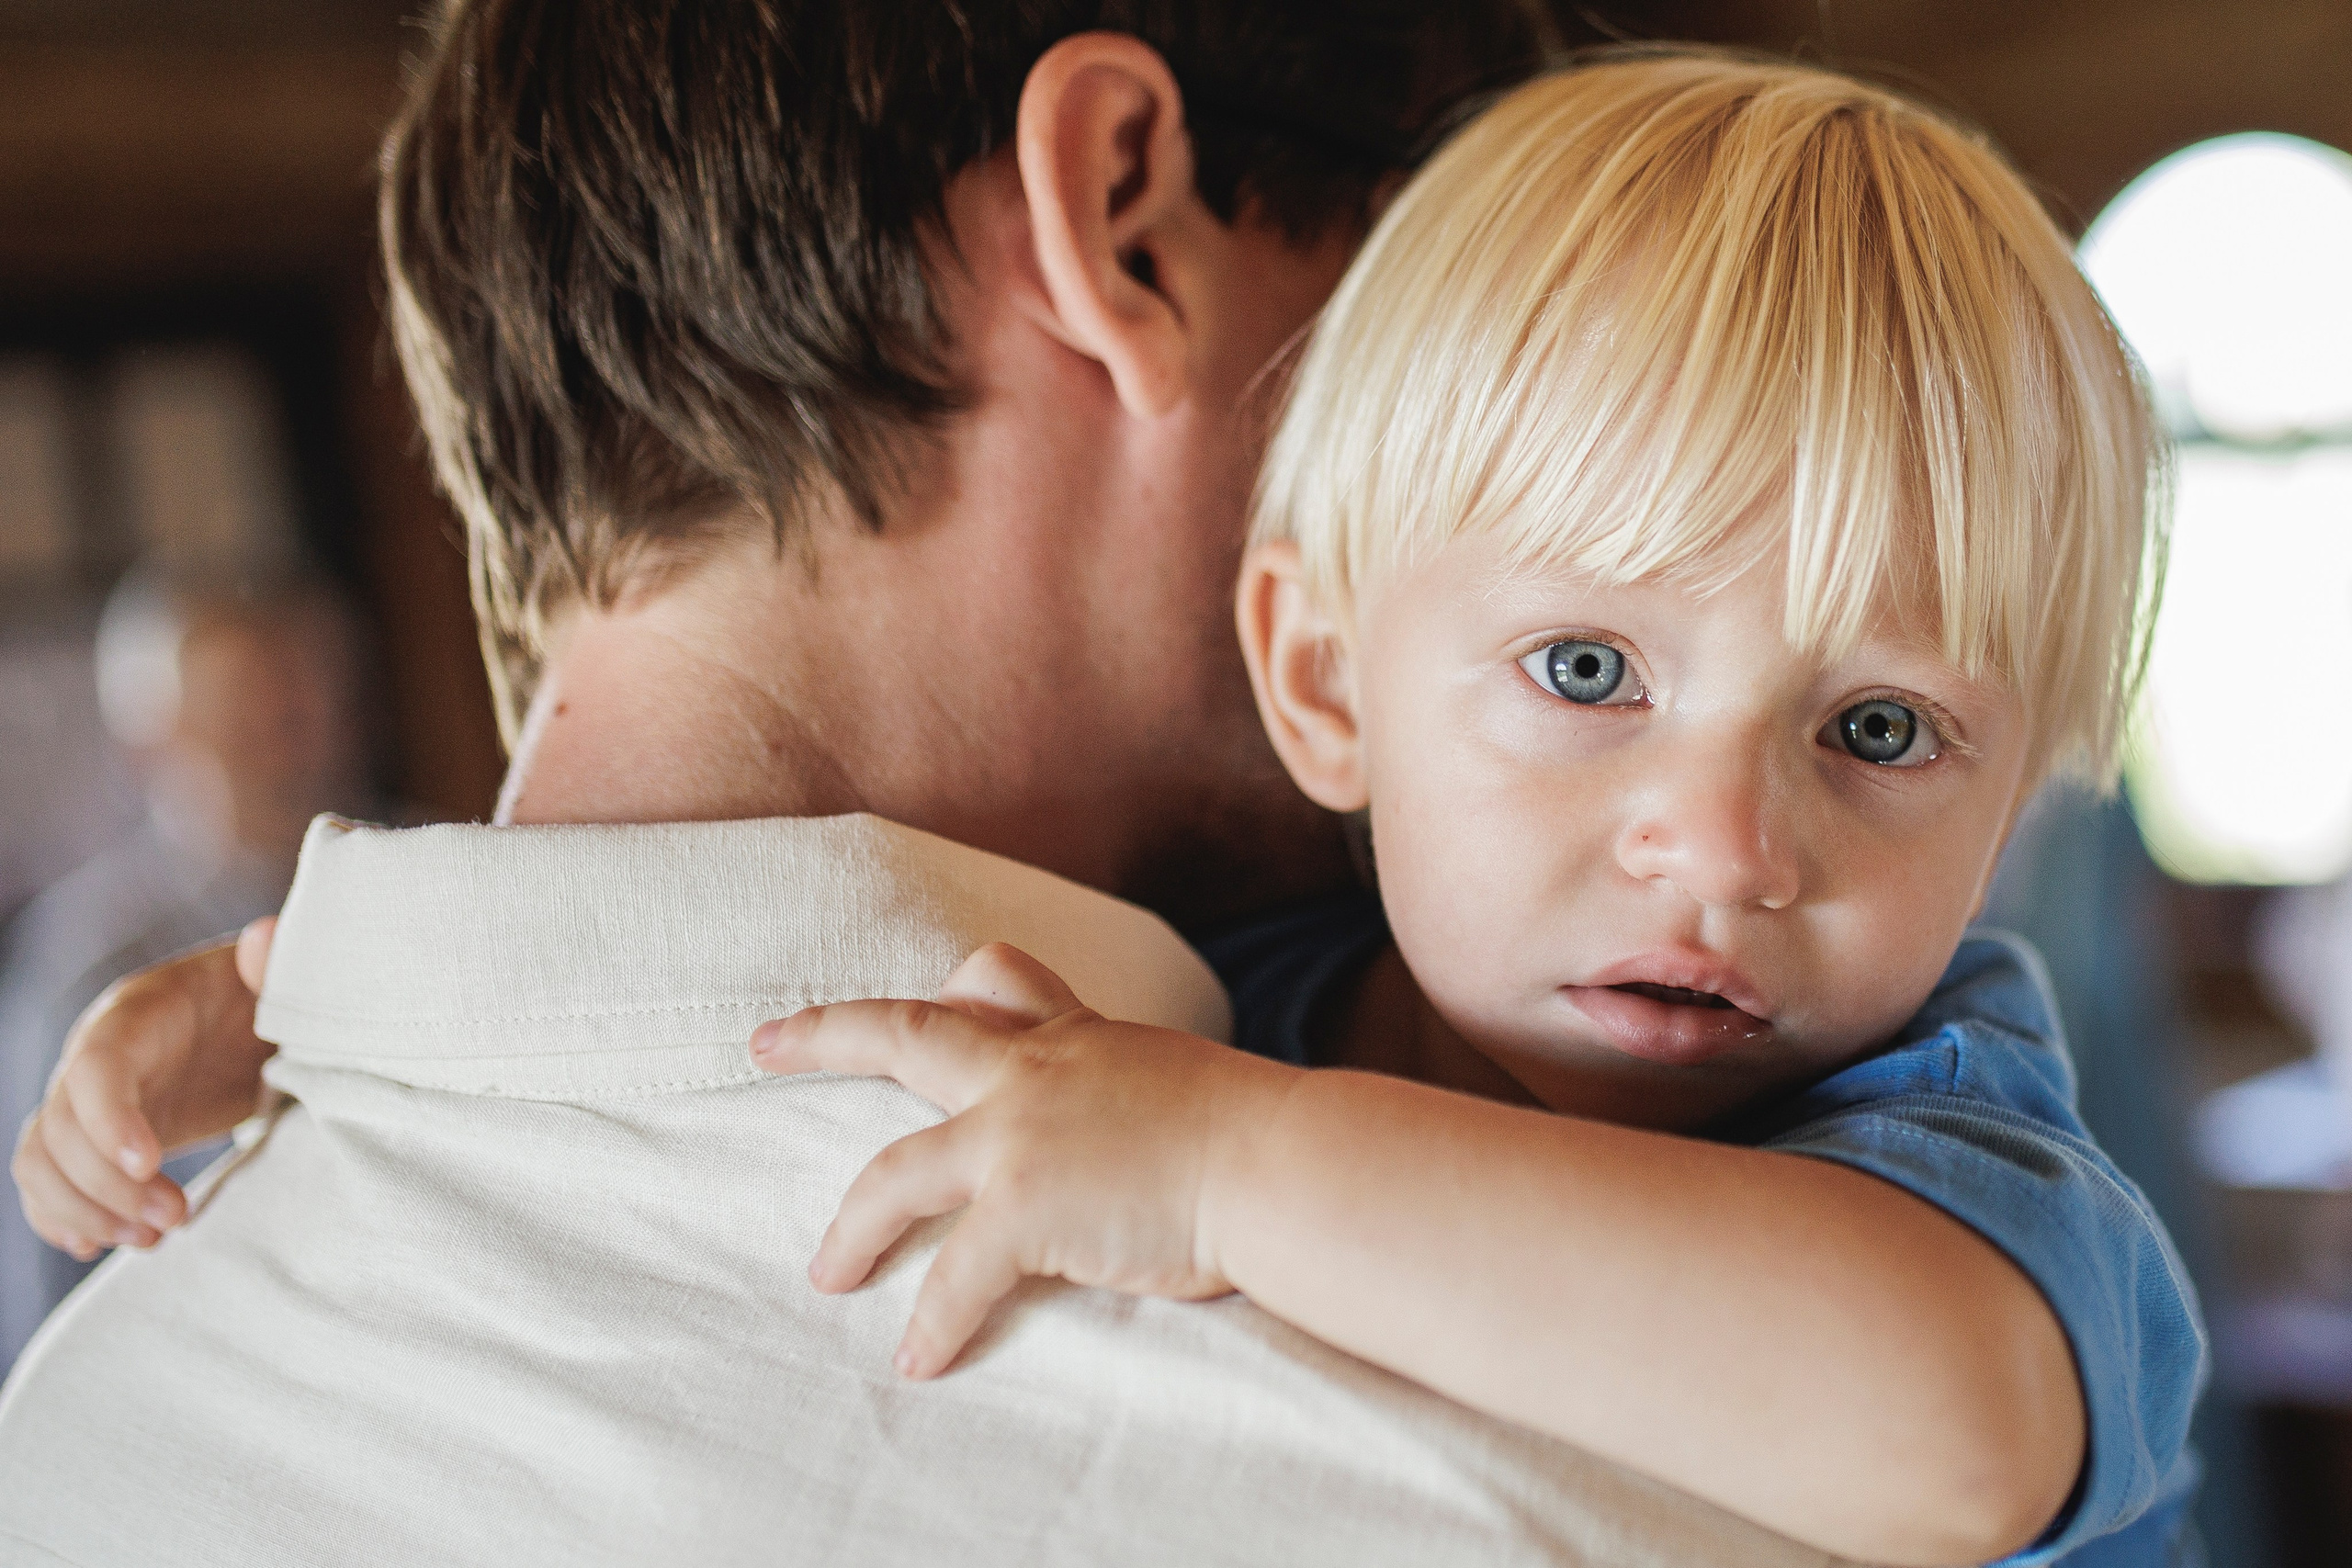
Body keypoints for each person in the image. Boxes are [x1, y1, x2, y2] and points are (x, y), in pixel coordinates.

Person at [0, 6, 1863, 1566]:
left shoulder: (71, 1450)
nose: (1538, 452)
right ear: (1122, 221)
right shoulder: (1643, 1456)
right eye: (1461, 290)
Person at [743, 55, 2205, 1566]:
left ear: (2008, 816)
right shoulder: (1218, 987)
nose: (1724, 849)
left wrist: (1225, 1167)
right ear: (1322, 684)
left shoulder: (1957, 1139)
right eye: (1588, 670)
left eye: (1881, 728)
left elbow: (1960, 1438)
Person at [0, 558, 365, 1370]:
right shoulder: (84, 968)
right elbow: (38, 1291)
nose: (284, 728)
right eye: (243, 702)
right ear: (151, 741)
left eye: (298, 691)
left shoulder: (415, 871)